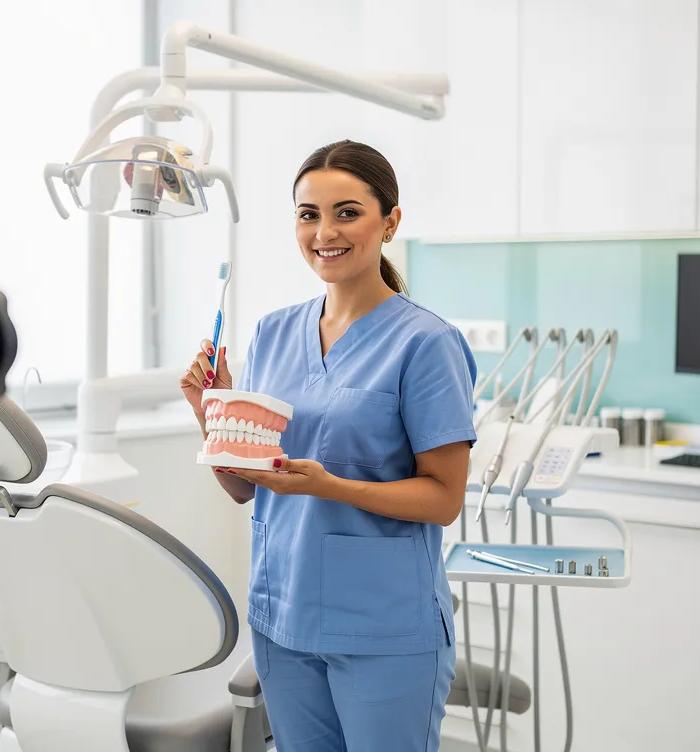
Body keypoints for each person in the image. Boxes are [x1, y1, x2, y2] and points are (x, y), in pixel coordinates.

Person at [178, 140, 478, 751]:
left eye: (347, 212)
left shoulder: (426, 344)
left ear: (389, 222)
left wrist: (330, 487)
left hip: (384, 626)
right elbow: (243, 487)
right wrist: (210, 415)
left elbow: (444, 499)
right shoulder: (272, 332)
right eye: (308, 214)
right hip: (283, 615)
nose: (325, 233)